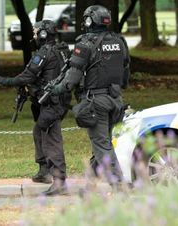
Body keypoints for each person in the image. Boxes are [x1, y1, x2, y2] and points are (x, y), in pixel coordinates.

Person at [49, 5, 130, 184]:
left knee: (101, 146)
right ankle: (89, 184)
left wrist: (56, 89)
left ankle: (118, 184)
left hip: (96, 102)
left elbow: (72, 78)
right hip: (116, 100)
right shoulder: (120, 41)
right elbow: (125, 73)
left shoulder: (85, 44)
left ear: (88, 21)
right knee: (104, 141)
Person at [0, 20, 71, 196]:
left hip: (52, 102)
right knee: (39, 131)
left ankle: (59, 181)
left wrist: (2, 80)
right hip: (60, 100)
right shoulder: (62, 49)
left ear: (44, 34)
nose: (34, 35)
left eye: (36, 32)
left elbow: (27, 76)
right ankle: (44, 170)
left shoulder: (45, 52)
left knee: (51, 139)